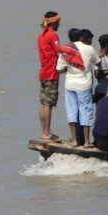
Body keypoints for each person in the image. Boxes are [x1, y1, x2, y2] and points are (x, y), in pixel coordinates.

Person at [57, 27, 98, 148]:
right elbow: (97, 61)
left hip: (70, 84)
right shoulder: (89, 48)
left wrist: (69, 68)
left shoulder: (65, 50)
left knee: (72, 111)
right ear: (80, 37)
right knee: (85, 111)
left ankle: (74, 141)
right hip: (84, 85)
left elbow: (59, 69)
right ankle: (86, 142)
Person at [37, 11, 62, 141]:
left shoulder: (41, 36)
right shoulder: (53, 35)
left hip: (43, 72)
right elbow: (59, 52)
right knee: (48, 104)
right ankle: (47, 133)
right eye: (58, 22)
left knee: (43, 103)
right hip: (51, 73)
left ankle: (44, 131)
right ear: (54, 22)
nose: (59, 25)